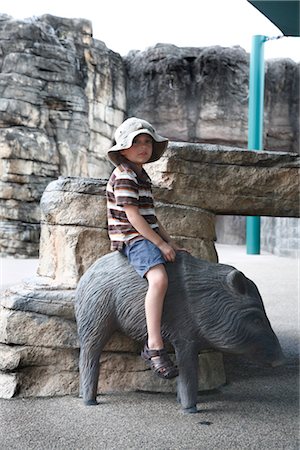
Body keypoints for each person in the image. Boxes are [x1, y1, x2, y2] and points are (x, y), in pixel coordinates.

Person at [106, 117, 187, 380]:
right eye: (136, 142)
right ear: (122, 148)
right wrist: (159, 244)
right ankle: (154, 345)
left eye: (147, 142)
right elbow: (134, 217)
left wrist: (170, 241)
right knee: (159, 278)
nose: (143, 147)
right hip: (132, 238)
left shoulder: (141, 174)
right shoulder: (125, 174)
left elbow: (151, 215)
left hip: (144, 233)